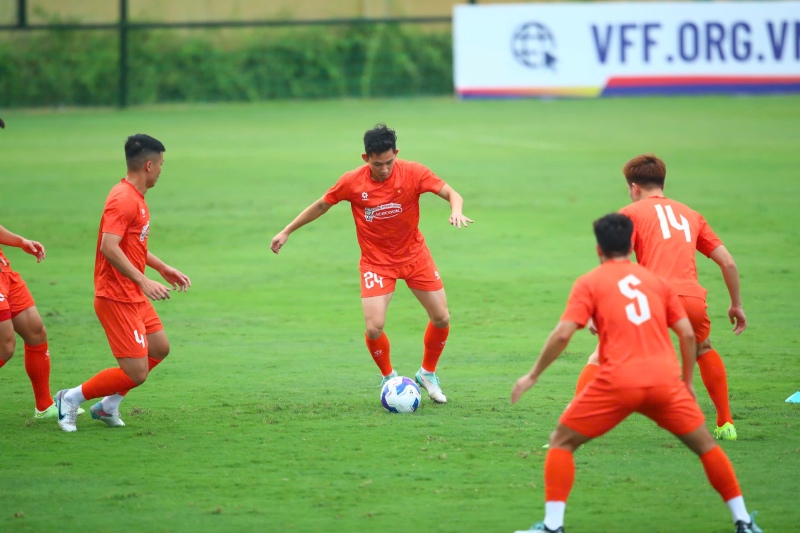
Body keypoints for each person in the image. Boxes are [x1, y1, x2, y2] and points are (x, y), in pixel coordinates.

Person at [511, 213, 760, 533]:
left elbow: (562, 334)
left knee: (561, 442)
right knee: (706, 447)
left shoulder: (589, 282)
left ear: (599, 250)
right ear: (632, 246)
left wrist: (532, 376)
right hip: (664, 383)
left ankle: (552, 526)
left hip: (617, 383)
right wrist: (686, 382)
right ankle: (743, 521)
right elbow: (686, 334)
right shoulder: (657, 282)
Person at [270, 123, 472, 403]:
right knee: (374, 326)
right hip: (377, 263)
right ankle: (390, 379)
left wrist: (456, 211)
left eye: (390, 162)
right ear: (365, 158)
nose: (385, 169)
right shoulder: (352, 181)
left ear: (396, 154)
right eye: (378, 164)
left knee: (442, 318)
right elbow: (322, 205)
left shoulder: (413, 172)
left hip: (415, 256)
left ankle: (427, 373)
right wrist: (287, 230)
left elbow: (452, 193)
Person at [573, 154, 745, 441]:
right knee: (704, 349)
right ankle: (726, 423)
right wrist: (736, 304)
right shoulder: (691, 214)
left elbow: (617, 262)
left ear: (634, 187)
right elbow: (728, 263)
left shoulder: (630, 213)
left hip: (652, 298)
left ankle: (577, 424)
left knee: (601, 355)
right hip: (690, 299)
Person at [54, 134, 191, 432]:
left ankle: (108, 407)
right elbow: (109, 247)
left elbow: (133, 246)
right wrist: (144, 280)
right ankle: (70, 398)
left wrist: (163, 267)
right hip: (116, 296)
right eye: (162, 165)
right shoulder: (123, 199)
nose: (161, 171)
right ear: (149, 165)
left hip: (132, 293)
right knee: (137, 372)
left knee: (159, 347)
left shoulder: (136, 199)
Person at [0, 226, 83, 419]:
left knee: (36, 332)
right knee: (5, 347)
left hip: (4, 271)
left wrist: (20, 242)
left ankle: (44, 406)